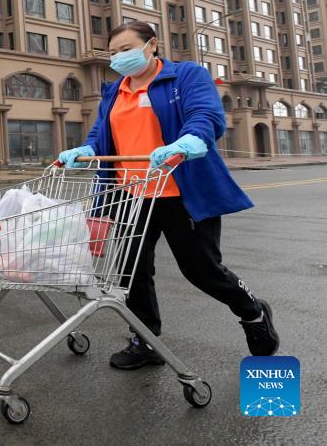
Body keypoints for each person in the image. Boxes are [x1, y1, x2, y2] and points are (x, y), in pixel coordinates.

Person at [58, 21, 279, 369]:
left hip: (179, 192)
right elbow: (102, 133)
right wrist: (86, 149)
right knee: (131, 272)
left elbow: (204, 114)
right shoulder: (115, 91)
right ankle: (145, 341)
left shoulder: (185, 76)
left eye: (126, 49)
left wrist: (189, 140)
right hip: (130, 195)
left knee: (202, 270)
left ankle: (253, 312)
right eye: (113, 52)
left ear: (152, 45)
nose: (118, 57)